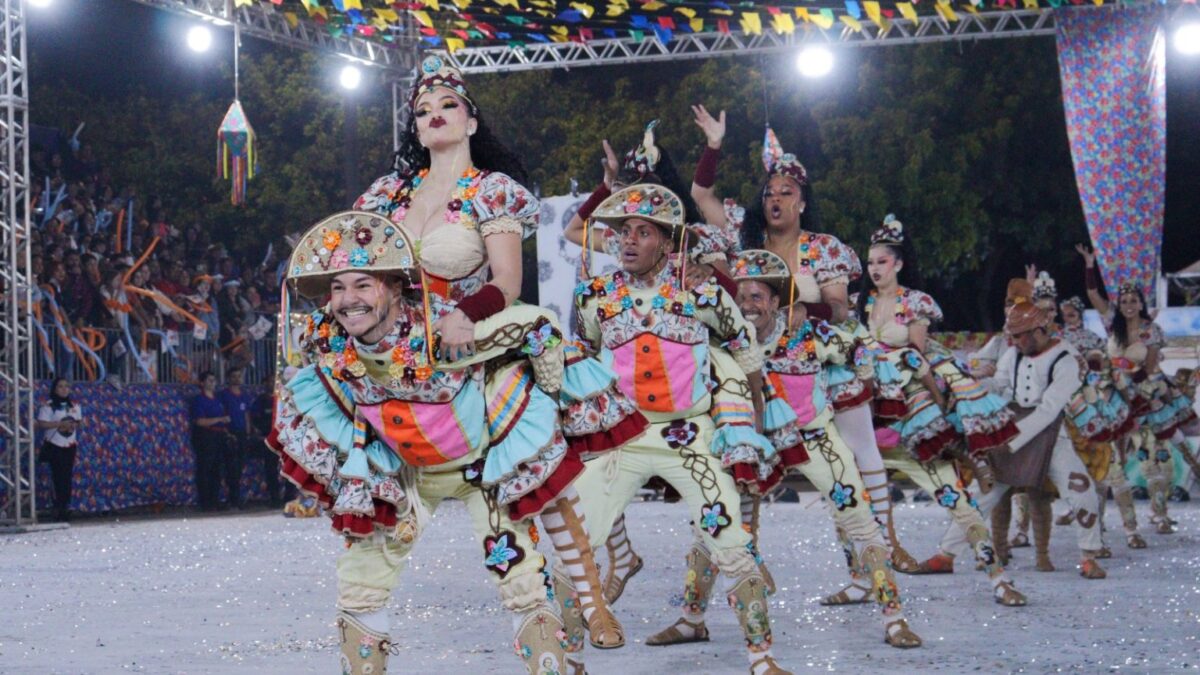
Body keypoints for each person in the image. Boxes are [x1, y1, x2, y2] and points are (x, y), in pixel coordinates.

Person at [271, 52, 639, 675]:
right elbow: (359, 269)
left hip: (469, 333)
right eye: (422, 111)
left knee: (529, 486)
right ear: (414, 128)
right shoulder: (386, 194)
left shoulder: (490, 191)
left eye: (447, 107)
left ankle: (585, 602)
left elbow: (507, 279)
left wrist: (468, 316)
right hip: (397, 343)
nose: (434, 116)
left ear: (471, 120)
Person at [686, 112, 921, 573]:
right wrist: (714, 146)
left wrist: (803, 310)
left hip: (819, 359)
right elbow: (700, 195)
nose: (774, 200)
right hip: (755, 359)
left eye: (785, 193)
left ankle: (881, 547)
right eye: (769, 193)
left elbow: (838, 308)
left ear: (802, 202)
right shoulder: (742, 233)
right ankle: (746, 558)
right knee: (743, 449)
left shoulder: (824, 248)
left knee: (855, 451)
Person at [570, 184, 789, 675]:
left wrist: (754, 424)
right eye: (624, 232)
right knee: (576, 544)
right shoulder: (594, 295)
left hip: (689, 439)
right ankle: (566, 661)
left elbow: (744, 350)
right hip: (619, 438)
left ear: (667, 245)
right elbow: (581, 359)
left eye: (642, 232)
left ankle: (762, 659)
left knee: (731, 541)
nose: (628, 241)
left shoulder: (703, 291)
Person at [727, 249, 922, 648]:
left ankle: (894, 618)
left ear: (776, 301)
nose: (748, 307)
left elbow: (861, 350)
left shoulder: (808, 333)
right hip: (757, 445)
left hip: (815, 440)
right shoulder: (730, 340)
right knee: (727, 528)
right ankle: (725, 628)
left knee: (860, 519)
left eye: (757, 298)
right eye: (741, 298)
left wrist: (861, 383)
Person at [854, 216, 1026, 605]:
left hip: (914, 408)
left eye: (882, 262)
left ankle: (998, 578)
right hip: (874, 414)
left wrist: (938, 399)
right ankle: (869, 579)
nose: (875, 269)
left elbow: (917, 354)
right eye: (870, 263)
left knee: (956, 500)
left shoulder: (913, 302)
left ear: (897, 263)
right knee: (857, 501)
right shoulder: (862, 304)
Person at [1078, 245, 1197, 535]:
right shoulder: (1111, 325)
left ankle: (1159, 514)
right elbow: (1094, 295)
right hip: (1110, 398)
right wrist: (1090, 266)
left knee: (1154, 457)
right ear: (1119, 304)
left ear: (1140, 303)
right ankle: (1100, 521)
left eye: (1134, 300)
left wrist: (1145, 391)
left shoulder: (1151, 330)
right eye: (1125, 301)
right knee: (1107, 459)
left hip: (1142, 398)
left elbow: (1153, 366)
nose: (1129, 305)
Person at [36, 378, 82, 522]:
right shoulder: (48, 406)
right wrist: (58, 424)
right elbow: (42, 424)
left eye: (66, 386)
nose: (64, 389)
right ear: (55, 389)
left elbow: (79, 422)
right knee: (57, 476)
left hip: (69, 445)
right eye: (60, 387)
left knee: (67, 477)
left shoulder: (74, 406)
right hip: (55, 445)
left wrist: (73, 425)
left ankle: (65, 506)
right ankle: (57, 506)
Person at [190, 371, 232, 511]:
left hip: (219, 437)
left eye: (214, 380)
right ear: (202, 383)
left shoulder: (217, 399)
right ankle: (205, 502)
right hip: (206, 437)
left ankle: (215, 500)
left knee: (217, 470)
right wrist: (219, 420)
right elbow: (200, 421)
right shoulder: (199, 400)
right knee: (205, 469)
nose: (212, 383)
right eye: (209, 380)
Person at [218, 366, 254, 509]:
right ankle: (231, 498)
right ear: (228, 378)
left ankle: (237, 498)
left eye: (239, 376)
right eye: (234, 376)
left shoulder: (244, 396)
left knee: (239, 467)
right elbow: (222, 413)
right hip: (229, 433)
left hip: (242, 434)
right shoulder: (224, 395)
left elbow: (246, 415)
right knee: (230, 467)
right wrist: (226, 432)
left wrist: (248, 432)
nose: (237, 379)